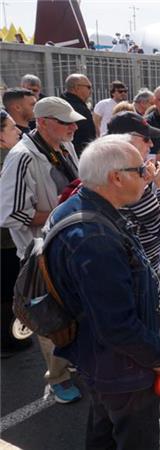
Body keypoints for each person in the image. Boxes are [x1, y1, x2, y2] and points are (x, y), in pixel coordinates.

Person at [47, 135, 160, 449]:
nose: (149, 177)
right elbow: (117, 326)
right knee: (136, 438)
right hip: (122, 367)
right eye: (142, 170)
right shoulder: (94, 238)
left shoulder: (85, 206)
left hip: (104, 362)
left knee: (104, 431)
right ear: (116, 177)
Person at [0, 97, 84, 403]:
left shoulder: (64, 145)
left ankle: (70, 360)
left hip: (68, 245)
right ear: (44, 123)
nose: (74, 127)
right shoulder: (21, 157)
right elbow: (9, 213)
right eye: (66, 122)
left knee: (72, 310)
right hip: (40, 254)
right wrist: (61, 213)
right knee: (50, 318)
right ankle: (57, 378)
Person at [106, 112, 160, 269]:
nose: (151, 145)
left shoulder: (105, 166)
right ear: (126, 140)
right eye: (146, 139)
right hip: (139, 269)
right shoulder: (129, 176)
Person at [1, 109, 32, 357]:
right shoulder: (10, 161)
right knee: (6, 291)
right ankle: (9, 339)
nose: (19, 131)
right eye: (12, 128)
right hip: (4, 240)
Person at [61, 73, 97, 154]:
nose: (91, 91)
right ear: (77, 88)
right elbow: (88, 138)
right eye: (88, 87)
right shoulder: (80, 110)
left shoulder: (60, 104)